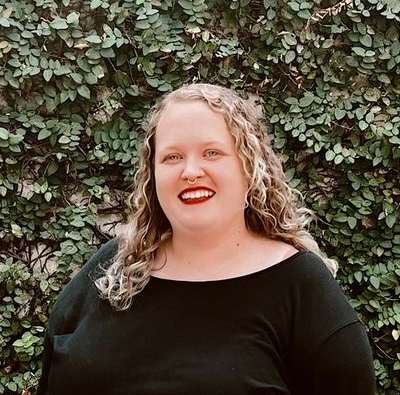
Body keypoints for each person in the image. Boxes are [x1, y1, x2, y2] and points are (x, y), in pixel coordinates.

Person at [37, 83, 376, 394]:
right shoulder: (111, 268)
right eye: (172, 157)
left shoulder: (300, 288)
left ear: (250, 167)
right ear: (153, 174)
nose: (190, 171)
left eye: (212, 152)